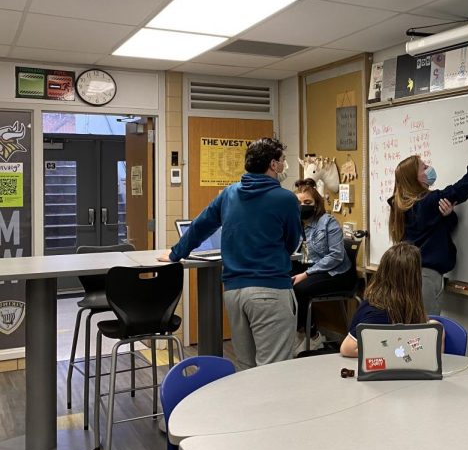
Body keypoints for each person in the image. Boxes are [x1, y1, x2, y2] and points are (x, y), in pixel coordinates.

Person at [162, 137, 301, 371]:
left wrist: (175, 254)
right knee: (275, 369)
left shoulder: (229, 194)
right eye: (283, 161)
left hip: (234, 293)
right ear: (273, 165)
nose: (285, 166)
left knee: (246, 367)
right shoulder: (286, 199)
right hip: (270, 290)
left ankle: (247, 408)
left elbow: (200, 226)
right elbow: (292, 242)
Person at [388, 128, 468, 315]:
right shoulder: (428, 202)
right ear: (415, 179)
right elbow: (465, 186)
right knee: (426, 333)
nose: (429, 168)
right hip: (425, 277)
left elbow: (437, 228)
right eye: (424, 168)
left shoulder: (400, 206)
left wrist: (448, 215)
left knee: (411, 329)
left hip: (406, 273)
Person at [291, 178, 356, 353]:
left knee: (300, 288)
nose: (302, 206)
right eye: (298, 202)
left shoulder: (328, 222)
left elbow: (336, 256)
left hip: (338, 273)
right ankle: (297, 332)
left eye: (307, 202)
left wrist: (307, 274)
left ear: (316, 204)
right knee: (284, 283)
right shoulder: (296, 225)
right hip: (314, 268)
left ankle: (311, 335)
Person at [340, 243, 429, 357]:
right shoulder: (379, 313)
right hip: (373, 370)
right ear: (413, 279)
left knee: (436, 326)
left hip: (396, 368)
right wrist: (392, 353)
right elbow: (347, 348)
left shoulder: (400, 305)